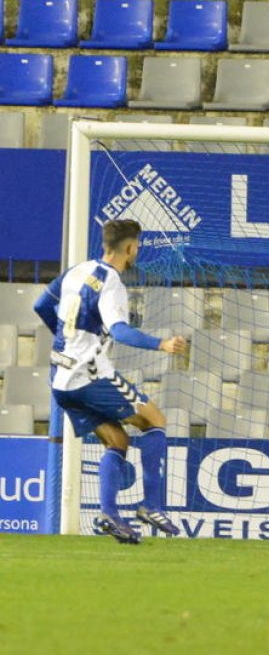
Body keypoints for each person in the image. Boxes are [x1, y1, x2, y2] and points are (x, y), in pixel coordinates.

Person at [33, 219, 188, 544]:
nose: (138, 251)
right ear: (130, 248)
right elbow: (119, 330)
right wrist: (161, 344)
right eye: (138, 246)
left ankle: (110, 515)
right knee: (155, 420)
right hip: (88, 377)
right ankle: (152, 505)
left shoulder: (77, 270)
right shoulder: (112, 282)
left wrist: (66, 339)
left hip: (61, 379)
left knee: (117, 441)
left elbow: (42, 305)